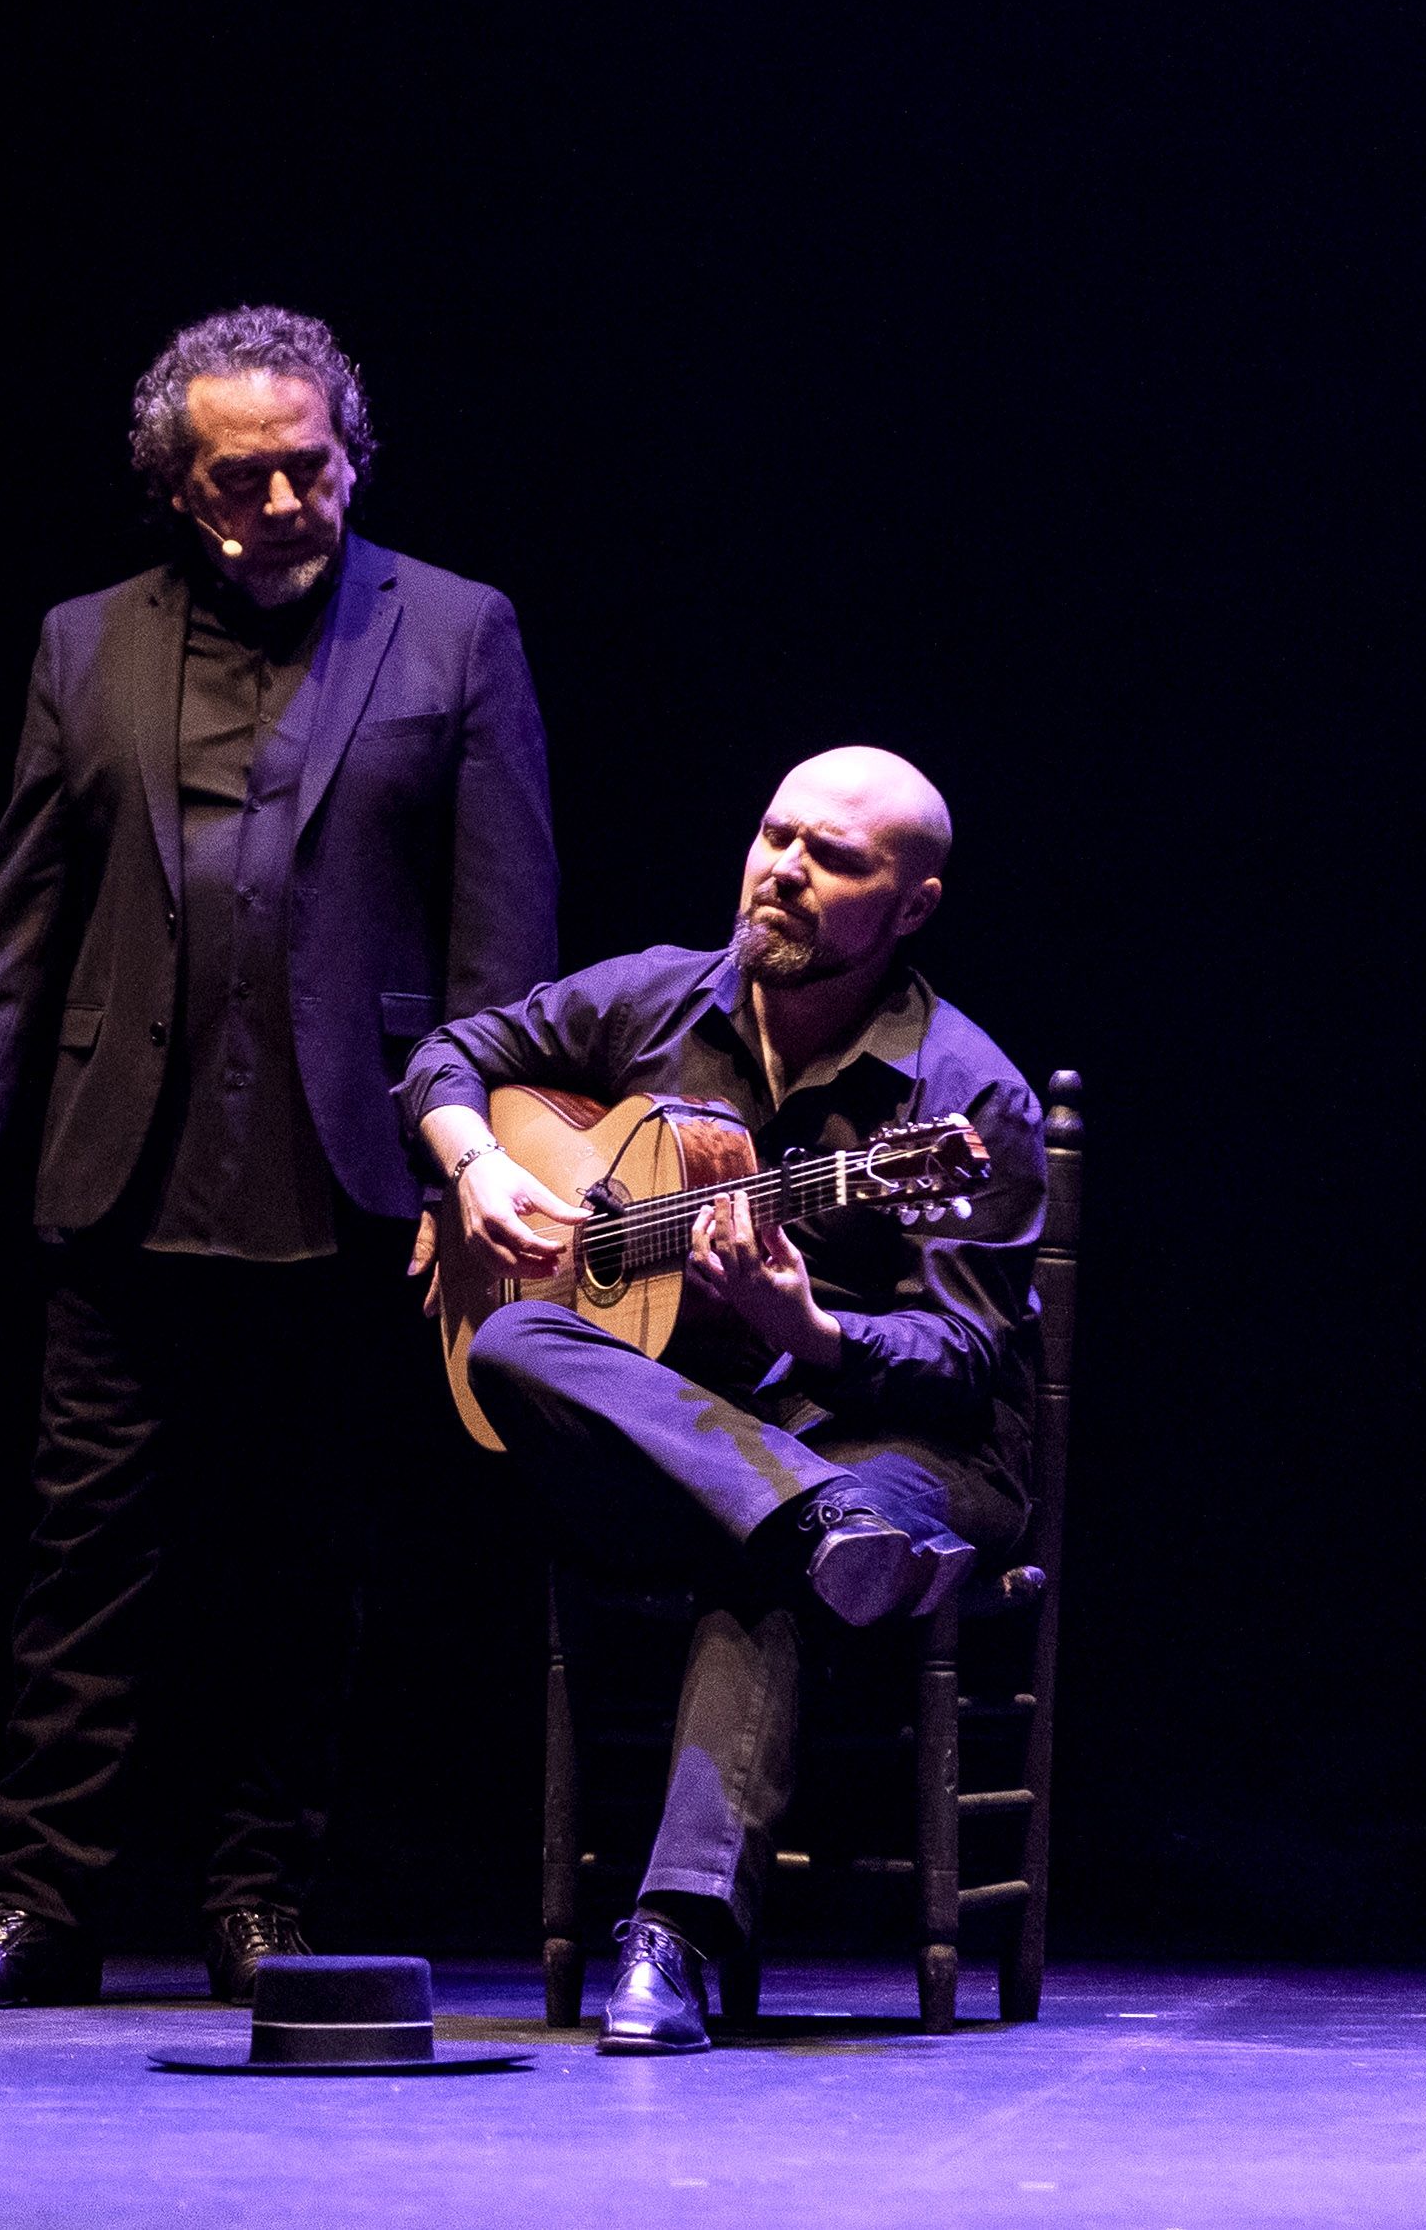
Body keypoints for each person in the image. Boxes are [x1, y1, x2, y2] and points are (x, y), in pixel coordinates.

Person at [0, 307, 559, 2009]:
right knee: (82, 1559)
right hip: (125, 1179)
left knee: (304, 1563)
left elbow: (505, 947)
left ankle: (264, 1898)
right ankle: (38, 1906)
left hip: (350, 1182)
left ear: (355, 457)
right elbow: (13, 920)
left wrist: (477, 1169)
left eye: (308, 470)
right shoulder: (83, 644)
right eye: (237, 479)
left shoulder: (457, 632)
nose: (279, 505)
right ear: (176, 491)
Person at [403, 745, 1041, 2055]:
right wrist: (470, 1162)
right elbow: (453, 1050)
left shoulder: (963, 1099)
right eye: (774, 836)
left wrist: (808, 1330)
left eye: (834, 858)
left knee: (777, 1550)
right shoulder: (653, 1000)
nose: (784, 872)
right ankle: (805, 1527)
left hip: (901, 1457)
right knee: (518, 1341)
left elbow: (971, 1359)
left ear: (913, 904)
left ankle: (674, 1934)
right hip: (705, 1450)